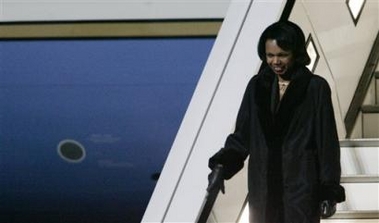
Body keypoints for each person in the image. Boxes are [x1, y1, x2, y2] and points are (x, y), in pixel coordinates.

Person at [208, 20, 345, 223]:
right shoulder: (256, 87)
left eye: (282, 55)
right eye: (270, 55)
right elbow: (242, 136)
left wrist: (329, 191)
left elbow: (327, 145)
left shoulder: (315, 88)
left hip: (300, 191)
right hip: (262, 191)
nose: (275, 62)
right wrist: (222, 166)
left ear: (296, 53)